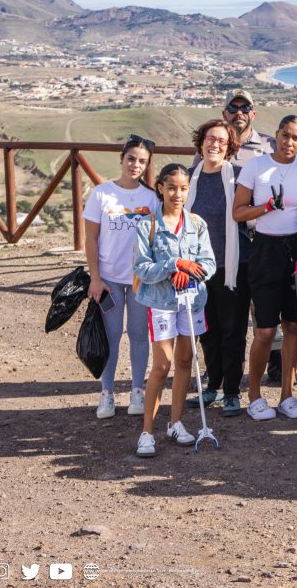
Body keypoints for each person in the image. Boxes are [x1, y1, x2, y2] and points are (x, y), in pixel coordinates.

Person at [232, 115, 297, 421]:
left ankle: (287, 395)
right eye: (285, 135)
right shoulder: (256, 166)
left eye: (296, 138)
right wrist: (267, 207)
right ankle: (255, 395)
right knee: (265, 330)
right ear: (276, 135)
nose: (289, 142)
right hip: (265, 249)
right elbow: (238, 212)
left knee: (293, 325)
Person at [132, 163, 216, 457]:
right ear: (160, 188)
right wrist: (174, 265)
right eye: (171, 188)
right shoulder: (147, 225)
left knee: (184, 361)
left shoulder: (197, 224)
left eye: (183, 188)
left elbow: (209, 263)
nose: (177, 194)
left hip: (192, 301)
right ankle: (147, 432)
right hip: (161, 304)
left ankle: (175, 423)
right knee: (161, 366)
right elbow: (142, 268)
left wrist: (190, 272)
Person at [83, 135, 159, 419]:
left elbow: (158, 239)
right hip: (109, 279)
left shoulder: (151, 198)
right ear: (122, 159)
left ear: (147, 165)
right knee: (111, 335)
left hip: (140, 279)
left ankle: (137, 391)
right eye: (131, 159)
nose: (135, 165)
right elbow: (91, 239)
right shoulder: (101, 194)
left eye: (142, 161)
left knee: (139, 335)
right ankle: (106, 393)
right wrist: (95, 277)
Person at [219, 88, 286, 385]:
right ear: (224, 113)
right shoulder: (214, 145)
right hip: (226, 237)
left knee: (266, 302)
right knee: (230, 306)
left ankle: (275, 361)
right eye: (233, 108)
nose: (239, 113)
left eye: (245, 108)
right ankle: (226, 367)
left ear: (253, 114)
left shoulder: (270, 146)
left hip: (262, 235)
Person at [185, 119, 249, 417]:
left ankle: (232, 391)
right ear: (201, 142)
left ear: (230, 147)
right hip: (196, 268)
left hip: (231, 264)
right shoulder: (188, 178)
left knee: (233, 331)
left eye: (222, 141)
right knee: (207, 330)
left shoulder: (239, 177)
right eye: (211, 138)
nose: (215, 144)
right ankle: (212, 385)